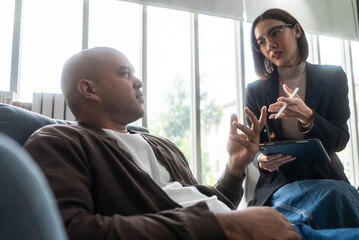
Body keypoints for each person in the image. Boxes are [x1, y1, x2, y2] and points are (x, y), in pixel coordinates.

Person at [23, 47, 300, 240]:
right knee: (325, 195)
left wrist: (235, 167)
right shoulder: (58, 142)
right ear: (89, 89)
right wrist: (223, 227)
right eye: (125, 73)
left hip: (257, 232)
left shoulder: (161, 145)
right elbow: (68, 231)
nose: (138, 82)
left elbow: (206, 203)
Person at [245, 7, 359, 232]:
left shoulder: (333, 77)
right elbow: (255, 145)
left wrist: (309, 118)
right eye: (261, 41)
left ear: (296, 30)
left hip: (327, 177)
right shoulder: (256, 91)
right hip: (280, 184)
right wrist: (261, 160)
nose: (269, 45)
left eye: (275, 33)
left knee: (338, 196)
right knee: (336, 198)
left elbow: (340, 140)